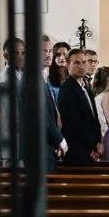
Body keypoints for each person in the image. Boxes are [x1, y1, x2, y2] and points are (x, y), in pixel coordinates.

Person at [57, 48, 102, 165]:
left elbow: (93, 118)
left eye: (84, 62)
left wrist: (96, 145)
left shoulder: (86, 86)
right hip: (77, 151)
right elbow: (74, 124)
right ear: (67, 65)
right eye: (76, 63)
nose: (81, 66)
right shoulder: (67, 89)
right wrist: (94, 145)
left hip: (90, 149)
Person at [39, 36, 67, 168]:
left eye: (50, 51)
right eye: (44, 51)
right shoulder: (36, 80)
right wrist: (60, 140)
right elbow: (43, 115)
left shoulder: (41, 78)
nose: (48, 55)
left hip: (51, 143)